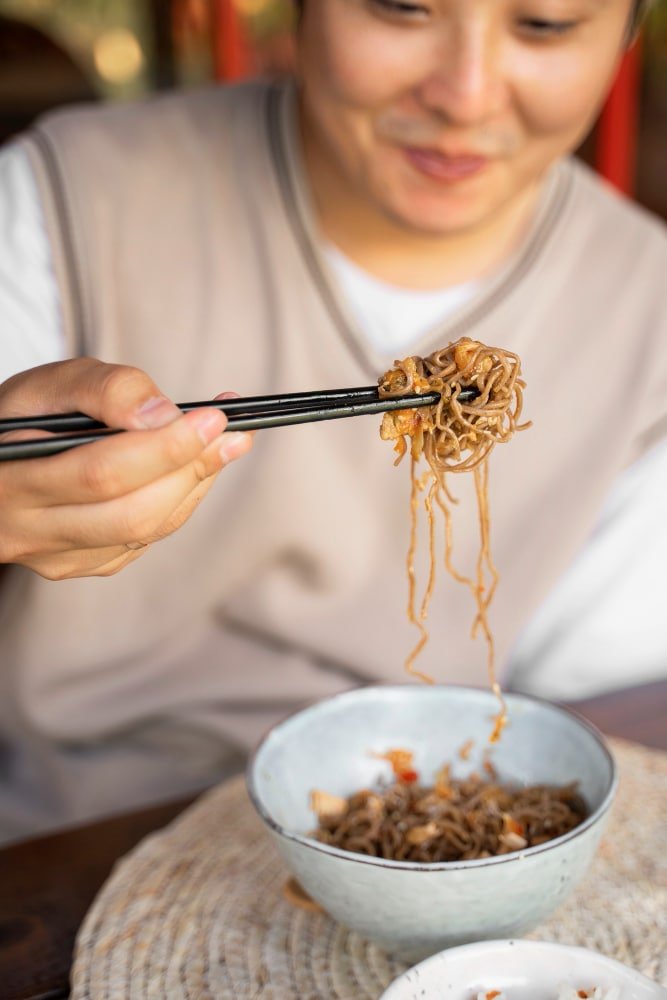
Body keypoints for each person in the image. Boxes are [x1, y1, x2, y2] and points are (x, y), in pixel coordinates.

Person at [0, 0, 665, 844]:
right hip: (64, 842)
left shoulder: (648, 314)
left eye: (543, 26)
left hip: (409, 834)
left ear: (626, 35)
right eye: (400, 7)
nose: (463, 95)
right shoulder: (65, 197)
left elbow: (585, 725)